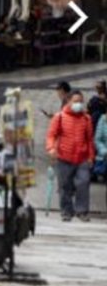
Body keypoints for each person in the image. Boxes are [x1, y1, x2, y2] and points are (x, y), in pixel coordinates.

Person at [46, 90, 95, 222]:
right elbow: (51, 135)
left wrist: (91, 156)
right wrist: (51, 148)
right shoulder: (59, 117)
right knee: (65, 186)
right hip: (63, 157)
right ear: (68, 102)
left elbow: (90, 139)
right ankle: (67, 212)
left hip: (82, 158)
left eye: (80, 101)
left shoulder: (86, 118)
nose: (78, 104)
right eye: (75, 101)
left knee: (83, 183)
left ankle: (82, 211)